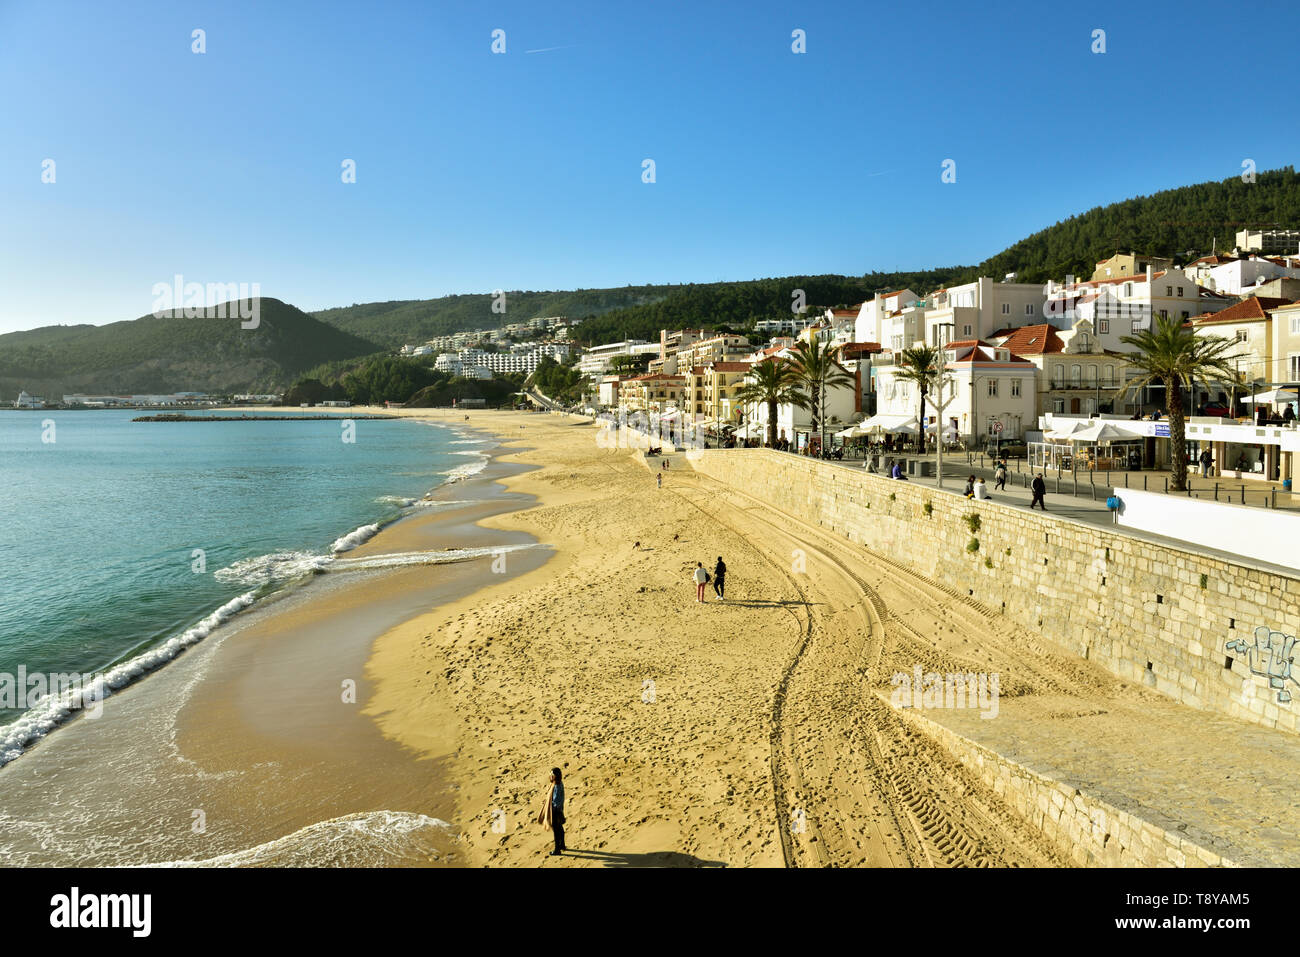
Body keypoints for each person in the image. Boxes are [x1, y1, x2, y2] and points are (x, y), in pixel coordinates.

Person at [537, 767, 565, 856]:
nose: (550, 776)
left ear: (554, 776)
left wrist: (549, 805)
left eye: (551, 775)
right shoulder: (559, 783)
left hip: (555, 811)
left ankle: (557, 850)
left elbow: (556, 801)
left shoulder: (556, 786)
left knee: (556, 830)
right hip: (559, 810)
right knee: (560, 828)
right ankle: (562, 845)